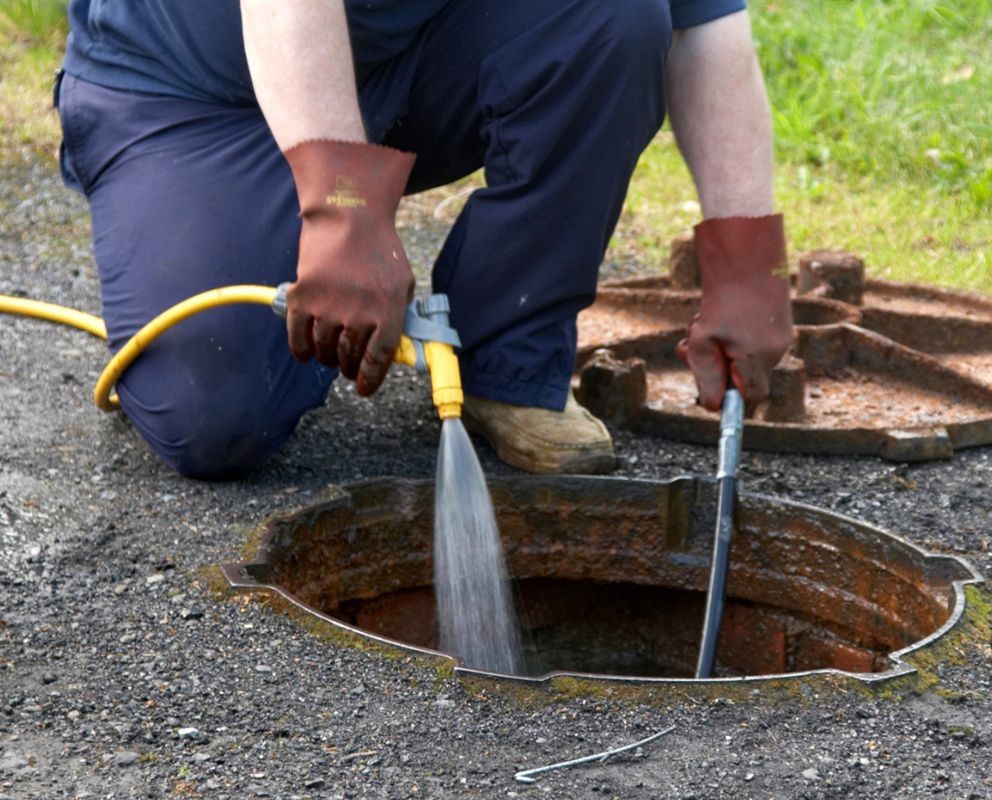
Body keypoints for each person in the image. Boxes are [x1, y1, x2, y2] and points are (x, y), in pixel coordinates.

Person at [55, 0, 793, 480]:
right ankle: (292, 245)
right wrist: (343, 211)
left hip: (414, 58)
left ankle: (509, 361)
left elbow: (706, 26)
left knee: (617, 16)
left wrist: (746, 264)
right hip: (190, 94)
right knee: (214, 418)